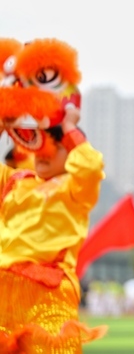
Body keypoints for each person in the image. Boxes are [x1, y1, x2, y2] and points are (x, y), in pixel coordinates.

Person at [0, 106, 107, 352]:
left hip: (49, 293)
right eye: (40, 144)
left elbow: (91, 167)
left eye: (56, 146)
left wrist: (69, 127)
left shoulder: (75, 188)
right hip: (4, 293)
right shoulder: (18, 181)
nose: (44, 153)